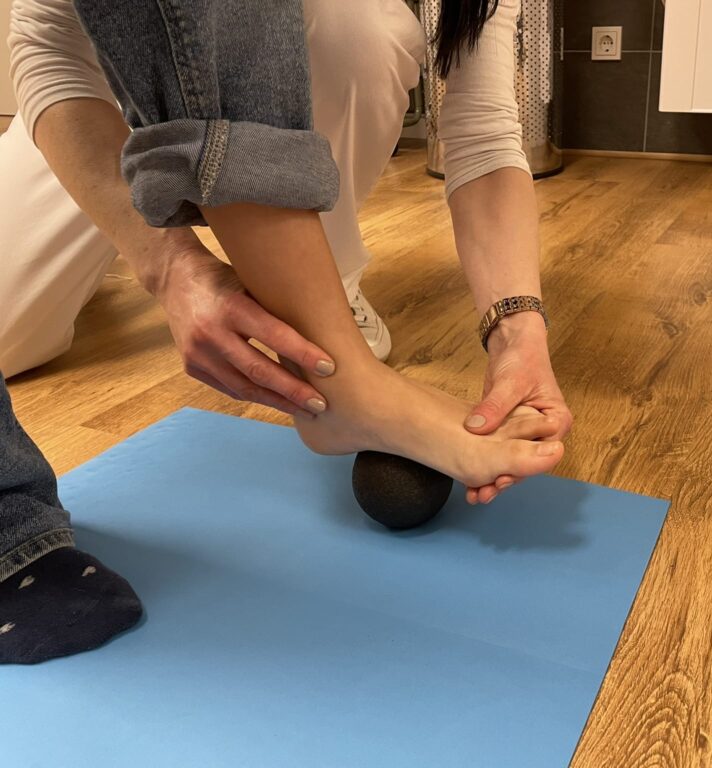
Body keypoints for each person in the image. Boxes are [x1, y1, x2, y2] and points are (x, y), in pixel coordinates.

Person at [0, 0, 572, 664]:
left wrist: (518, 331)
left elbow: (483, 129)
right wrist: (167, 263)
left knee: (358, 28)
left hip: (268, 115)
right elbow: (47, 47)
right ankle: (325, 339)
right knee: (15, 338)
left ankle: (321, 322)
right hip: (95, 118)